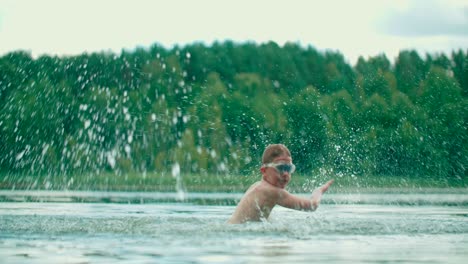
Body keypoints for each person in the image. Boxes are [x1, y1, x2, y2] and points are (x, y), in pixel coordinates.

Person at [228, 144, 334, 224]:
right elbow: (312, 205)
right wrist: (318, 191)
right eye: (280, 168)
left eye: (289, 168)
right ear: (264, 170)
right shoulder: (272, 192)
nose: (285, 174)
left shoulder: (257, 186)